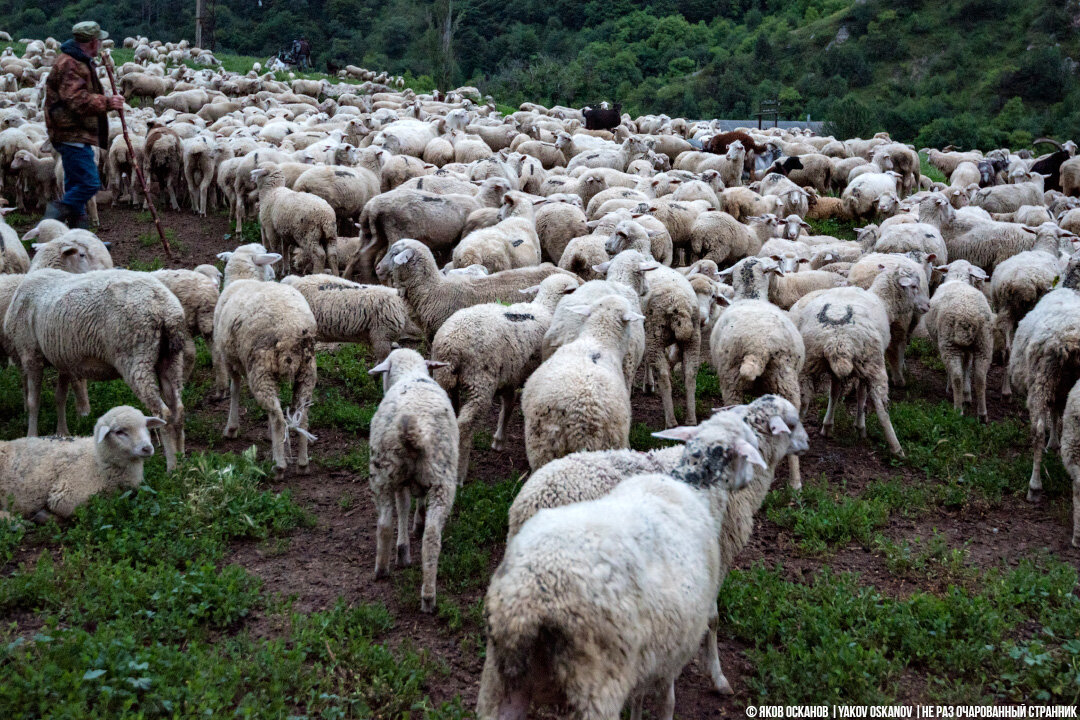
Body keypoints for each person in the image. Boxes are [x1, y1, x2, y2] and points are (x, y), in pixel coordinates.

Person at [43, 21, 123, 228]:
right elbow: (75, 99)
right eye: (100, 41)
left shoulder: (78, 60)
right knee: (89, 184)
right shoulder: (71, 64)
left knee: (75, 185)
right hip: (71, 132)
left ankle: (78, 236)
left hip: (73, 131)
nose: (102, 45)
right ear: (93, 42)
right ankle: (51, 220)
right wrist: (108, 102)